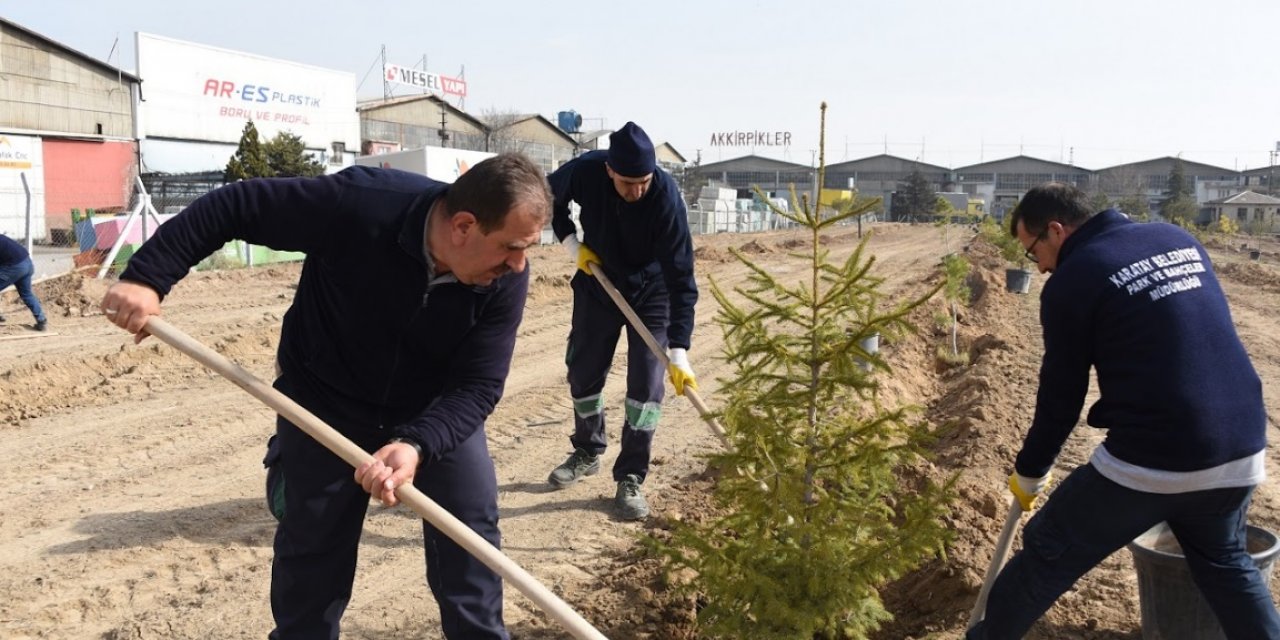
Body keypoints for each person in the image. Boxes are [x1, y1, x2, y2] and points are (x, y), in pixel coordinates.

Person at [100, 154, 552, 640]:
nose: (518, 264)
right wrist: (148, 276)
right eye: (511, 247)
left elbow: (479, 385)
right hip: (324, 403)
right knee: (312, 552)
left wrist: (417, 445)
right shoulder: (360, 206)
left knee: (471, 543)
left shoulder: (504, 277)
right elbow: (236, 204)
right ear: (464, 225)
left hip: (432, 409)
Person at [968, 182, 1280, 639]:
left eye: (1033, 252)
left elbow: (1061, 394)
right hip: (1240, 443)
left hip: (1157, 455)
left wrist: (1031, 470)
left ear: (1055, 230)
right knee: (1226, 565)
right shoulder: (1178, 240)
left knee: (1046, 553)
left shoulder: (1073, 282)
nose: (1040, 265)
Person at [544, 121, 698, 520]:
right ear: (610, 170)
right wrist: (569, 241)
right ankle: (587, 449)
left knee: (646, 387)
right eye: (628, 182)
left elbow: (682, 278)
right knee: (583, 371)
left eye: (644, 181)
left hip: (653, 291)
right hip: (599, 279)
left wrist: (679, 350)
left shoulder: (665, 198)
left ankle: (630, 476)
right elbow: (545, 195)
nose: (637, 191)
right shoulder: (585, 171)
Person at [0, 233, 49, 331]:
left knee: (26, 294)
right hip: (27, 263)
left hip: (15, 267)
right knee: (27, 294)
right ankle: (41, 320)